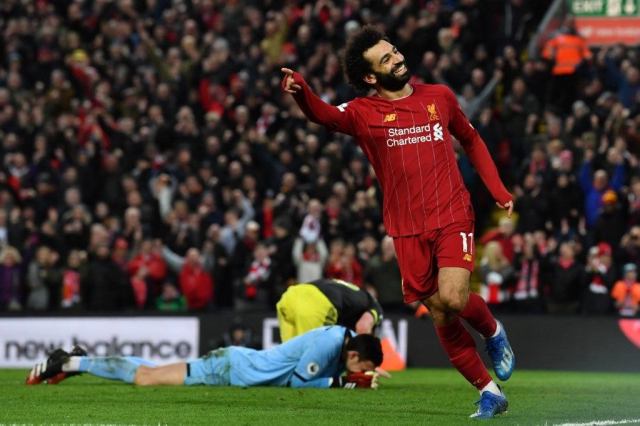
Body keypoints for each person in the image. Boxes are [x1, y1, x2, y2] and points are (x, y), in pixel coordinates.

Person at [281, 26, 514, 419]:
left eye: (394, 51)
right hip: (405, 227)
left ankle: (492, 331)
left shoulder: (439, 97)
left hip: (451, 213)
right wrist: (302, 91)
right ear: (371, 76)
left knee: (453, 298)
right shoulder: (363, 112)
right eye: (386, 59)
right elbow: (324, 115)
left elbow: (471, 139)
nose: (398, 59)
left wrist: (497, 189)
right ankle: (489, 392)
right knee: (439, 312)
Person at [26, 326, 382, 390]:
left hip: (238, 365)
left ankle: (78, 360)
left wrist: (358, 376)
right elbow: (297, 383)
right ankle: (72, 363)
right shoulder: (329, 343)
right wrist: (345, 383)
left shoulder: (343, 340)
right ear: (352, 353)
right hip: (233, 369)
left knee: (150, 372)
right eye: (360, 367)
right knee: (146, 378)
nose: (357, 372)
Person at [276, 278, 383, 342]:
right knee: (313, 356)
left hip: (291, 295)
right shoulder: (374, 305)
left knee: (288, 356)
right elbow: (362, 327)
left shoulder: (353, 296)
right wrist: (367, 359)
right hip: (316, 301)